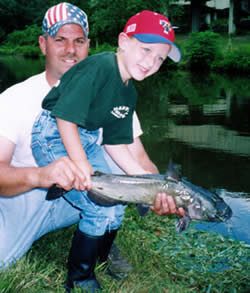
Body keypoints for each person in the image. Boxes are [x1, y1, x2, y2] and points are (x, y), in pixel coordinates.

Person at [0, 1, 184, 279]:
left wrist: (154, 188)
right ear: (42, 44)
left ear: (89, 43)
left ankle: (95, 252)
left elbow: (125, 150)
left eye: (79, 40)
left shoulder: (123, 90)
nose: (71, 49)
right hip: (30, 188)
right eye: (60, 39)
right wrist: (51, 172)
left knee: (111, 195)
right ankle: (83, 262)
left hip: (78, 180)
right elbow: (64, 120)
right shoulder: (14, 98)